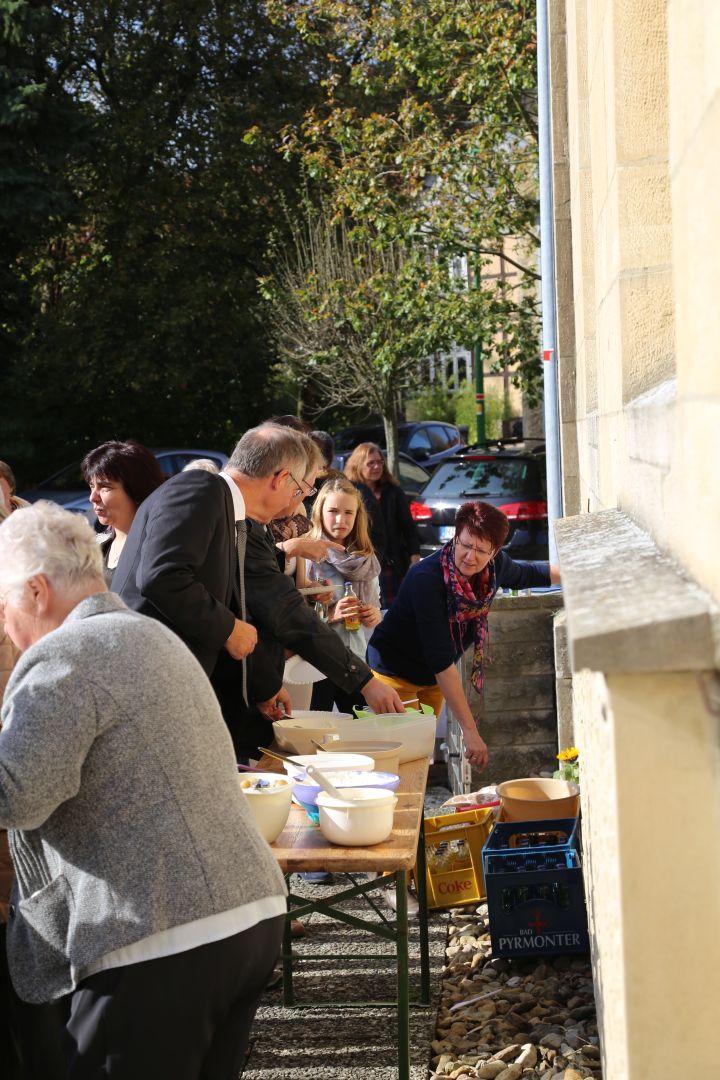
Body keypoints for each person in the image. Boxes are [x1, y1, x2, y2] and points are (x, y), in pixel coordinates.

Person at [0, 502, 287, 1078]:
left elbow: (18, 796)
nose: (5, 626)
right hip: (247, 915)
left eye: (3, 605)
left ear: (35, 591)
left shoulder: (63, 656)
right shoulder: (148, 633)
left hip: (160, 936)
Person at [115, 424, 404, 760]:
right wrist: (228, 628)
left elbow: (276, 606)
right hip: (145, 689)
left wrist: (264, 684)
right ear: (281, 479)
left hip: (176, 691)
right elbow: (162, 576)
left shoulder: (237, 521)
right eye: (301, 490)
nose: (295, 505)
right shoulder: (202, 488)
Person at [367, 501, 561, 771]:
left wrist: (576, 573)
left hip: (430, 678)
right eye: (465, 545)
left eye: (481, 550)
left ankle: (413, 812)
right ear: (455, 538)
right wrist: (470, 732)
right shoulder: (427, 579)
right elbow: (441, 662)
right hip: (394, 671)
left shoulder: (495, 569)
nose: (470, 557)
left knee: (419, 757)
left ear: (494, 552)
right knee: (400, 758)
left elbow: (528, 573)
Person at [307, 476, 382, 714]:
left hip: (356, 661)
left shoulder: (365, 559)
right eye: (333, 511)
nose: (341, 519)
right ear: (320, 512)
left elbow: (376, 607)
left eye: (349, 512)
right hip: (316, 663)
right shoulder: (307, 554)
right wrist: (331, 614)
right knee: (314, 736)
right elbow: (291, 616)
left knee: (361, 736)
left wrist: (373, 614)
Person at [344, 442, 420, 607]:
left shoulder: (394, 491)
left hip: (392, 563)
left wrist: (414, 557)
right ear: (358, 464)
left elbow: (408, 527)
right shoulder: (349, 491)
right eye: (371, 463)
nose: (377, 466)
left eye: (379, 462)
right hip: (362, 562)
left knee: (395, 611)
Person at [81, 440, 165, 585]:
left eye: (105, 487)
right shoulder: (95, 546)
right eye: (92, 486)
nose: (92, 497)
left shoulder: (157, 551)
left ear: (137, 490)